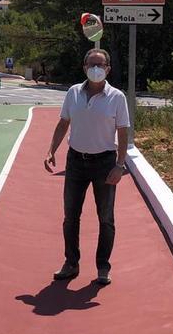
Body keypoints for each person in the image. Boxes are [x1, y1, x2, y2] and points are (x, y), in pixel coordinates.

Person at [43, 48, 130, 286]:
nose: (96, 68)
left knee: (106, 218)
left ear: (108, 68)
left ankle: (103, 266)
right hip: (76, 162)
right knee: (70, 216)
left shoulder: (117, 97)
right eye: (91, 64)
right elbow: (64, 122)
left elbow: (123, 132)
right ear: (84, 67)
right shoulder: (73, 93)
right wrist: (52, 149)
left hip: (105, 163)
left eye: (100, 65)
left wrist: (120, 165)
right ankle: (71, 263)